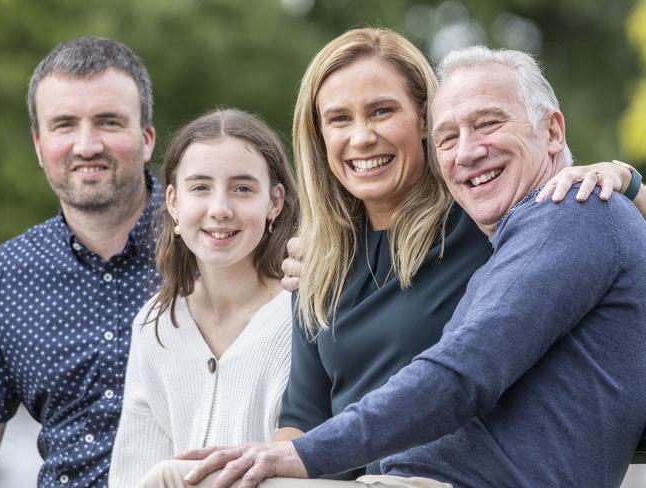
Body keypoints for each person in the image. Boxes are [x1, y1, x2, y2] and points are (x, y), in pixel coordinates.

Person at [150, 28, 645, 487]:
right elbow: (302, 418)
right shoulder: (320, 261)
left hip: (425, 477)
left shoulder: (502, 218)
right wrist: (271, 463)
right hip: (361, 476)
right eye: (339, 119)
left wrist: (628, 182)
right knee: (175, 478)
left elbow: (461, 373)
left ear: (419, 122)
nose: (469, 152)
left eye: (382, 111)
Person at [0, 37, 160, 487]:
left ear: (146, 139)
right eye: (64, 125)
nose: (86, 146)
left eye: (108, 122)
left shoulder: (218, 240)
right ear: (38, 145)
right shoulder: (3, 277)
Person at [108, 108, 298, 487]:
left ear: (274, 201)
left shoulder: (305, 314)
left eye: (243, 188)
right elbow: (133, 475)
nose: (220, 209)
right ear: (174, 202)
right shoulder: (155, 325)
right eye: (201, 187)